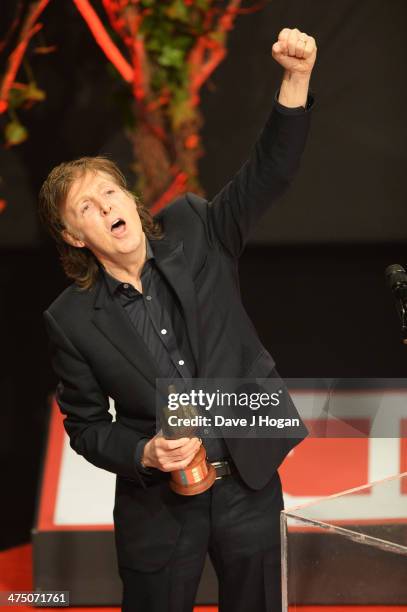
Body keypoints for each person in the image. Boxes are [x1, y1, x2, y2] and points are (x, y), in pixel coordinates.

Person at [39, 27, 317, 612]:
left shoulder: (195, 229)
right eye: (87, 207)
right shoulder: (71, 320)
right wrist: (144, 454)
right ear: (73, 236)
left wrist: (295, 80)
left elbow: (267, 174)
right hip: (161, 509)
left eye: (111, 192)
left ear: (131, 199)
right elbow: (87, 426)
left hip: (247, 478)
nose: (107, 206)